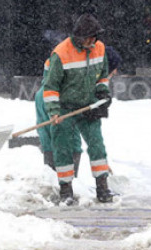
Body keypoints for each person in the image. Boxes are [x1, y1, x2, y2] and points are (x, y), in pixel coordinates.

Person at [42, 13, 113, 205]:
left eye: (95, 37)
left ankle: (102, 187)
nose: (93, 41)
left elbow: (102, 76)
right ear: (79, 37)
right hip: (65, 107)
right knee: (62, 147)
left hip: (88, 105)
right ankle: (66, 189)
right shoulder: (61, 53)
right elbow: (50, 87)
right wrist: (54, 111)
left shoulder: (100, 49)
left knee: (97, 145)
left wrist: (102, 95)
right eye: (89, 37)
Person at [35, 44, 122, 173]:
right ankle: (63, 182)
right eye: (112, 69)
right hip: (57, 99)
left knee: (51, 139)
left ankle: (53, 178)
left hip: (45, 96)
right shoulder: (82, 79)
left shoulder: (78, 67)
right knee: (68, 143)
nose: (115, 73)